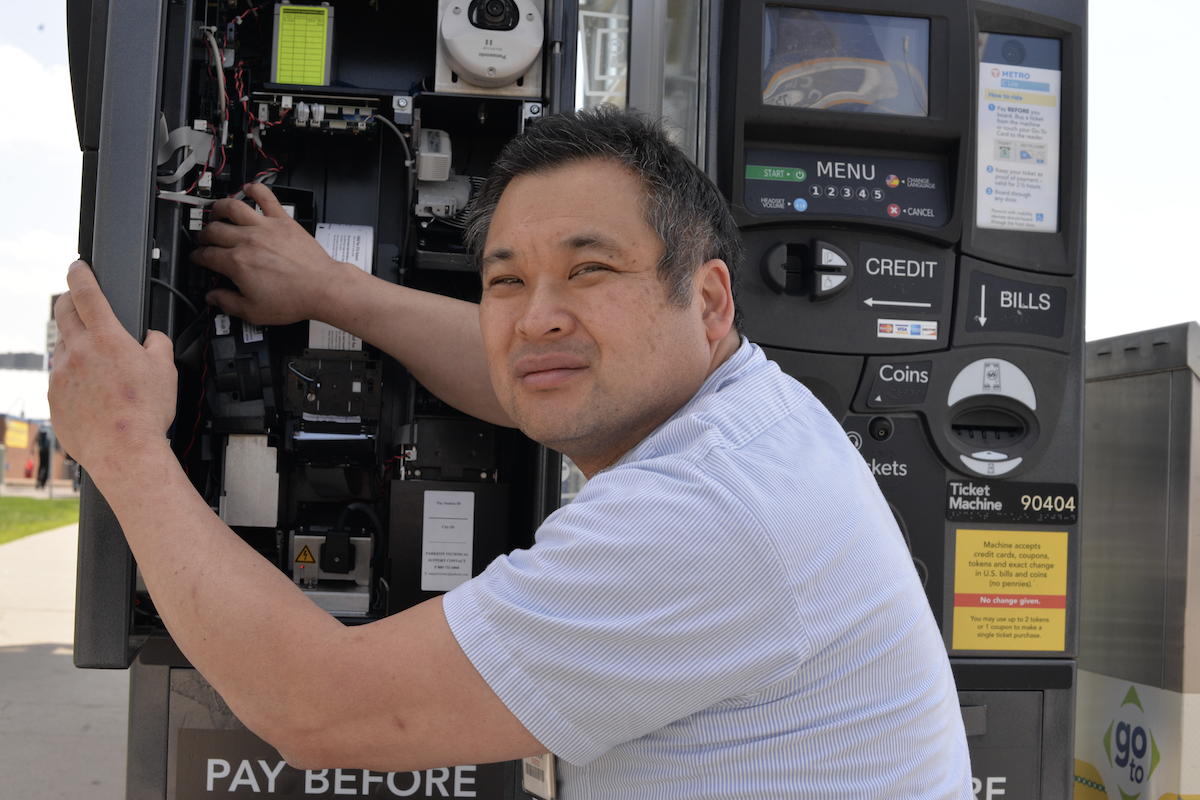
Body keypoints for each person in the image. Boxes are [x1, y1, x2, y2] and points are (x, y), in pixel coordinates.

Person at [49, 107, 971, 798]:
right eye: (505, 280)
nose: (537, 317)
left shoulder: (709, 512)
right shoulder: (747, 412)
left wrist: (125, 444)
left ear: (711, 298)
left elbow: (323, 707)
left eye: (590, 269)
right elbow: (531, 376)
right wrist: (330, 289)